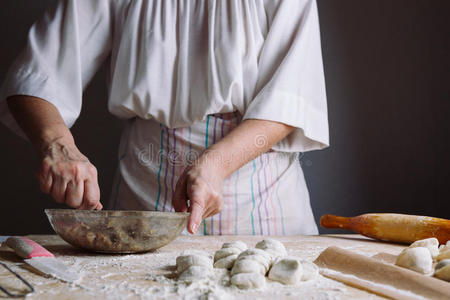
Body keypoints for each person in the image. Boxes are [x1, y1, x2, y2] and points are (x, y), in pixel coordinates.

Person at [0, 0, 328, 235]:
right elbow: (35, 77)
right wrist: (58, 146)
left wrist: (215, 164)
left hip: (259, 203)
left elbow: (290, 99)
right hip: (142, 192)